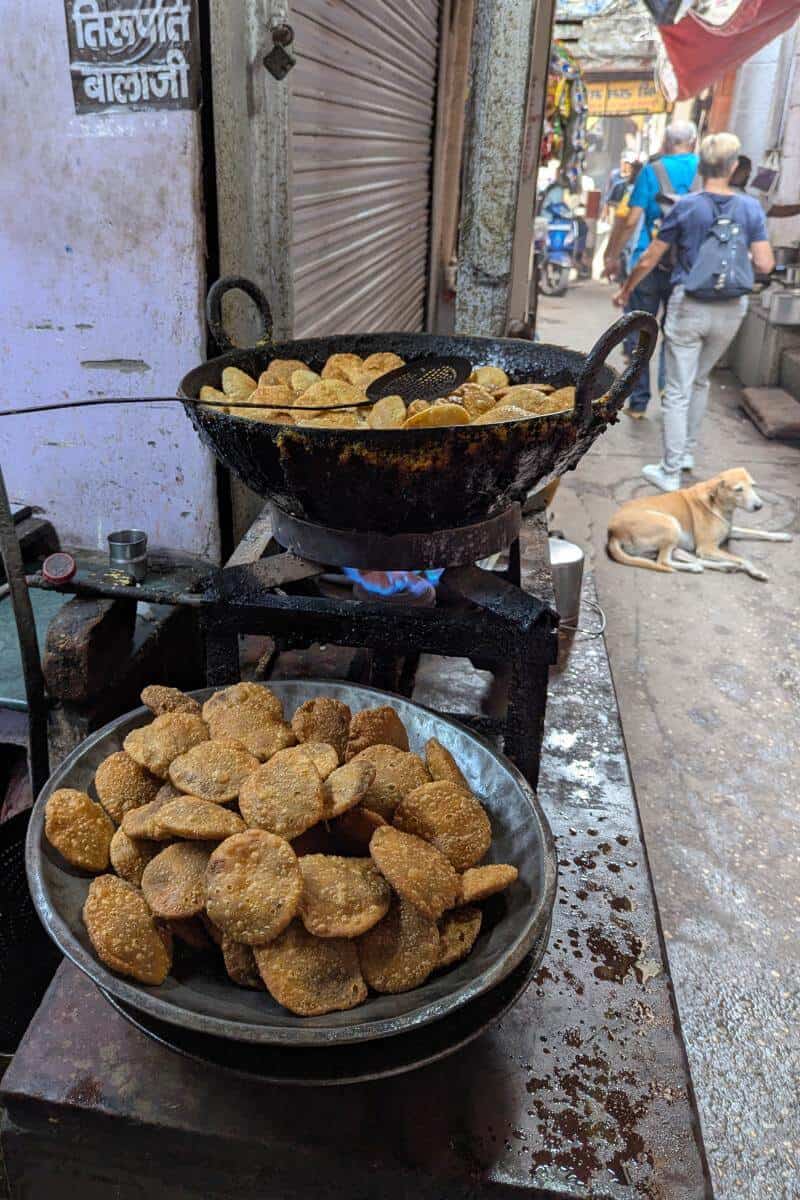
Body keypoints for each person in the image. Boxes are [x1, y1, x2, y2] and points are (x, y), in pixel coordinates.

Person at [613, 132, 774, 493]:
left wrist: (626, 288)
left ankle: (670, 471)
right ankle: (686, 454)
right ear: (734, 168)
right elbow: (765, 262)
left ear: (701, 167)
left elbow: (652, 255)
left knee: (679, 388)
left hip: (692, 306)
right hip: (732, 309)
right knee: (700, 380)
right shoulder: (750, 208)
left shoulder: (687, 205)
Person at [604, 121, 699, 416]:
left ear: (666, 142)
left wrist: (612, 254)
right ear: (693, 142)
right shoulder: (703, 170)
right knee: (676, 333)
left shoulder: (652, 170)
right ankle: (668, 393)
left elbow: (631, 220)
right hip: (687, 266)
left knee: (641, 333)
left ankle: (638, 402)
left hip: (647, 262)